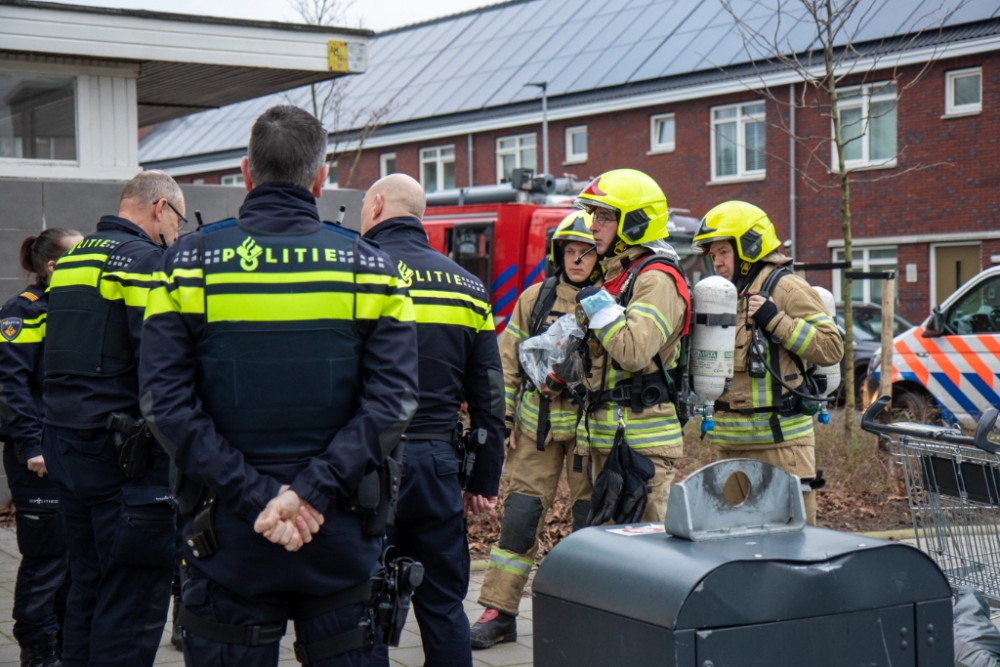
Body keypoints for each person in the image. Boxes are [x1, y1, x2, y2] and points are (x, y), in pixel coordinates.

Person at [139, 105, 420, 667]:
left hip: (226, 532)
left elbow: (163, 404)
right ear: (320, 178)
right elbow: (394, 402)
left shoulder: (186, 264)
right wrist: (309, 492)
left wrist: (257, 496)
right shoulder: (372, 268)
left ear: (247, 172)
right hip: (339, 529)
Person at [360, 173, 505, 667]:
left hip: (365, 463)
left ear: (377, 205)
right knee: (443, 604)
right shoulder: (468, 286)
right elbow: (490, 395)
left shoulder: (355, 273)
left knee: (363, 604)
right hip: (438, 466)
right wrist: (483, 478)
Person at [41, 171, 185, 667]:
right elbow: (160, 360)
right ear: (161, 209)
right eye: (178, 222)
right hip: (123, 460)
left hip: (67, 445)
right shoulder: (144, 261)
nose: (177, 234)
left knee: (87, 584)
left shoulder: (73, 259)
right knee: (133, 597)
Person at [469, 211, 600, 649]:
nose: (576, 260)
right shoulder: (535, 298)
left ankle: (589, 615)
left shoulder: (610, 300)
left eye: (586, 252)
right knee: (519, 519)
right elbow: (506, 363)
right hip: (535, 429)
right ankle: (498, 611)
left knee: (589, 524)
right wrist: (504, 419)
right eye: (569, 251)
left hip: (588, 433)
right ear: (557, 253)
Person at [691, 200, 843, 525]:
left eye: (724, 252)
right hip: (730, 447)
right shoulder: (724, 297)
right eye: (713, 255)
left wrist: (776, 320)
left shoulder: (786, 287)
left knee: (791, 546)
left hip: (781, 447)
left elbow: (831, 347)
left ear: (749, 249)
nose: (717, 263)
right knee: (735, 545)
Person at [572, 169, 691, 525]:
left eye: (605, 217)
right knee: (612, 552)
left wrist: (597, 307)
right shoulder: (618, 277)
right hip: (611, 442)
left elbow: (634, 352)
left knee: (646, 552)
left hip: (643, 449)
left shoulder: (656, 280)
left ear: (635, 224)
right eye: (594, 215)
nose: (593, 226)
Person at [0, 229, 82, 667]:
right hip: (37, 455)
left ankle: (65, 644)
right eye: (79, 253)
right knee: (47, 556)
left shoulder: (73, 308)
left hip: (70, 452)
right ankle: (37, 648)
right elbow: (10, 386)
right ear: (53, 267)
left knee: (71, 554)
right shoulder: (22, 311)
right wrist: (33, 445)